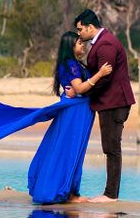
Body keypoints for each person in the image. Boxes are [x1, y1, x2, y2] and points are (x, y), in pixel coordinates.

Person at [27, 32, 112, 204]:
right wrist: (100, 73)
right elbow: (79, 88)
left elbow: (78, 88)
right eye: (79, 43)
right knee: (70, 150)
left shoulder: (74, 64)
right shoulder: (71, 64)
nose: (83, 45)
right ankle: (67, 193)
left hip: (79, 111)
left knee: (68, 149)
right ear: (70, 46)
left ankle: (66, 191)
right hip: (76, 113)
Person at [73, 9, 136, 202]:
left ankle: (111, 194)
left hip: (114, 102)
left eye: (80, 29)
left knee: (112, 148)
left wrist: (83, 90)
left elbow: (104, 78)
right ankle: (110, 193)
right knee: (110, 147)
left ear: (90, 27)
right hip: (110, 102)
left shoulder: (106, 43)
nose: (79, 34)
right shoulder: (101, 41)